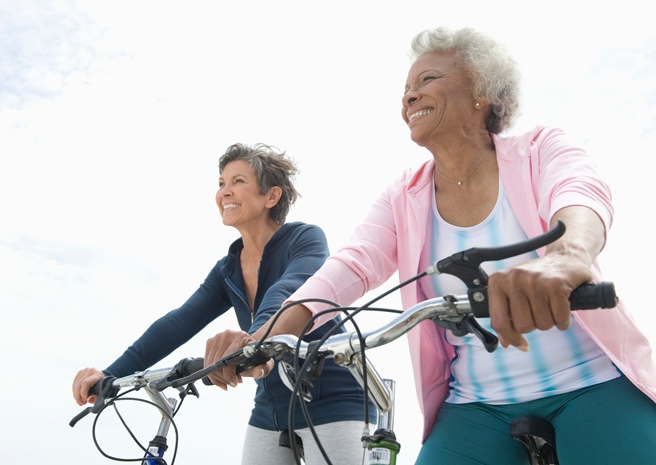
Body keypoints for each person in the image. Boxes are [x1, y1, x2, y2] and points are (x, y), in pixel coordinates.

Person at [204, 27, 656, 464]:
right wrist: (262, 339)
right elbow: (349, 267)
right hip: (476, 405)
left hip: (591, 380)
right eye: (406, 89)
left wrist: (566, 259)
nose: (409, 97)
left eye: (428, 80)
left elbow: (580, 195)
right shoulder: (404, 195)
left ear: (481, 90)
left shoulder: (540, 149)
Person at [71, 143, 375, 465]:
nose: (224, 192)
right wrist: (111, 375)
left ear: (271, 196)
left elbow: (287, 291)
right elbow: (179, 322)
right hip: (270, 409)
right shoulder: (227, 269)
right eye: (221, 184)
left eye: (238, 181)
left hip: (335, 399)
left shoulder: (304, 239)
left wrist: (251, 341)